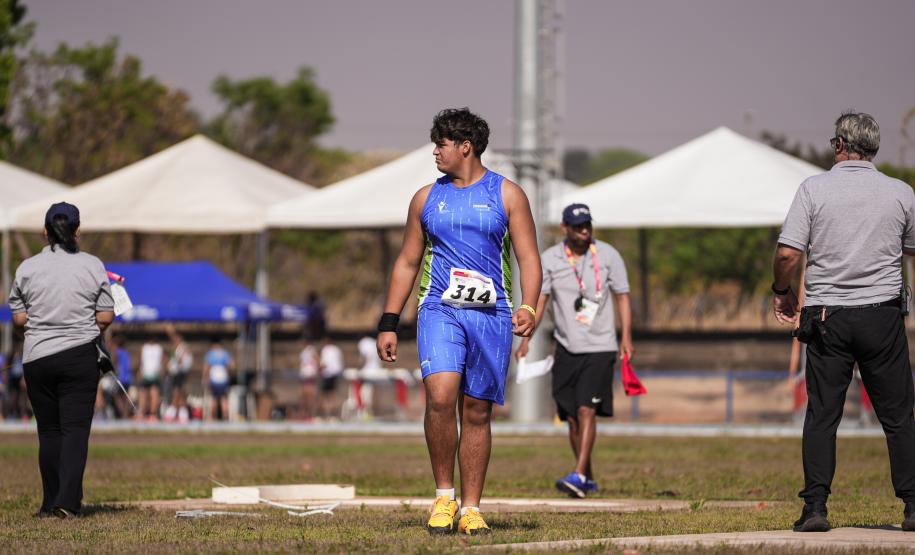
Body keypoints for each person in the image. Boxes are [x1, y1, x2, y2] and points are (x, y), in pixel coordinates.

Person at [376, 108, 540, 535]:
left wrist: (530, 306)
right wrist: (388, 322)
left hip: (492, 313)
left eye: (442, 144)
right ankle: (444, 498)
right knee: (441, 396)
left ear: (465, 146)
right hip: (438, 310)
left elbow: (528, 257)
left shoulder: (508, 195)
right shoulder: (425, 198)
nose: (435, 151)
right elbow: (408, 261)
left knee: (477, 410)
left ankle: (471, 508)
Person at [773, 111, 915, 533]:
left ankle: (815, 508)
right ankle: (912, 505)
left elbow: (787, 254)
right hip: (882, 317)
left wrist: (782, 291)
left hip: (826, 317)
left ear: (838, 145)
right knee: (899, 416)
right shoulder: (901, 192)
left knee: (822, 415)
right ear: (874, 148)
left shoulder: (813, 189)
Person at [515, 203, 633, 498]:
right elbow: (540, 301)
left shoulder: (608, 255)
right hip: (566, 346)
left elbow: (623, 297)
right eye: (578, 226)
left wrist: (626, 336)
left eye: (587, 225)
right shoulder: (551, 259)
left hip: (600, 346)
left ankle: (579, 474)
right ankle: (587, 476)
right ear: (565, 228)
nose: (584, 231)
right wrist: (527, 337)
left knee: (586, 409)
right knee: (570, 416)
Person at [9, 202, 115, 518]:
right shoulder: (92, 265)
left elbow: (18, 318)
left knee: (49, 431)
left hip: (37, 357)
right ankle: (66, 503)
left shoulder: (26, 267)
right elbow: (106, 315)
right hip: (79, 355)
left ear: (45, 231)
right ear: (77, 230)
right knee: (74, 430)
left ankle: (48, 503)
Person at [164, 324, 192, 423]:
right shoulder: (177, 347)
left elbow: (181, 360)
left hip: (180, 372)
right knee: (179, 392)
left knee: (177, 392)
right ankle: (181, 413)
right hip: (177, 373)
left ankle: (174, 412)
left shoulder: (182, 346)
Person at [202, 337, 234, 421]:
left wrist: (205, 377)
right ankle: (226, 417)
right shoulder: (225, 353)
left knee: (214, 398)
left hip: (214, 377)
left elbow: (207, 367)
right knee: (223, 398)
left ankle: (214, 418)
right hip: (223, 377)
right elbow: (232, 365)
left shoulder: (210, 353)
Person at [137, 338, 164, 421]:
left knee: (154, 393)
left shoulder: (158, 348)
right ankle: (142, 413)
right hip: (146, 373)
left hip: (155, 373)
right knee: (144, 393)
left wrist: (162, 370)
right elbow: (141, 360)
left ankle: (153, 414)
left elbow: (162, 359)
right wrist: (140, 370)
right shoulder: (145, 347)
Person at [318, 336, 343, 419]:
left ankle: (327, 414)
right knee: (333, 394)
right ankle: (335, 414)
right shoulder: (337, 349)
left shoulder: (326, 350)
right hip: (336, 373)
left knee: (326, 395)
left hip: (328, 374)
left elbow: (324, 364)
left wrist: (319, 369)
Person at [111, 334, 134, 419]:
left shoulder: (117, 352)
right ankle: (126, 413)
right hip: (128, 377)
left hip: (121, 377)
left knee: (117, 395)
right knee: (125, 396)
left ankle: (122, 413)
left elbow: (114, 362)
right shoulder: (126, 352)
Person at [298, 337, 319, 421]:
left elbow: (317, 360)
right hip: (305, 375)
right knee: (305, 396)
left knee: (309, 396)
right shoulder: (305, 351)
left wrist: (316, 369)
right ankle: (306, 414)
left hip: (309, 375)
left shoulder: (310, 350)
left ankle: (310, 414)